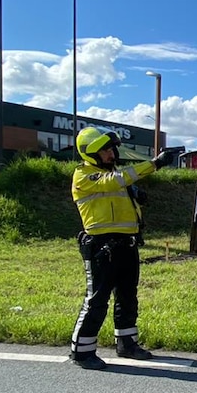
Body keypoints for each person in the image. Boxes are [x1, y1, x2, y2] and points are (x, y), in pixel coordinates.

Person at [68, 126, 178, 370]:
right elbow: (117, 180)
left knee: (128, 297)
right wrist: (155, 163)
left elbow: (121, 191)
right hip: (101, 247)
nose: (112, 153)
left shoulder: (114, 175)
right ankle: (82, 352)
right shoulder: (85, 175)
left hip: (126, 244)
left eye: (112, 148)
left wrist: (136, 197)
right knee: (97, 300)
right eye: (106, 150)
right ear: (91, 153)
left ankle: (127, 344)